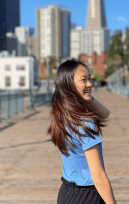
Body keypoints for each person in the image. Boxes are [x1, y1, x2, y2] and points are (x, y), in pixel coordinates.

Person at [47, 60, 117, 204]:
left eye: (90, 79)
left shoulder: (62, 115)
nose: (90, 84)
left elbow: (105, 114)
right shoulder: (84, 123)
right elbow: (98, 177)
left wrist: (86, 97)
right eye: (83, 80)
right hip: (88, 196)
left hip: (67, 192)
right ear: (68, 85)